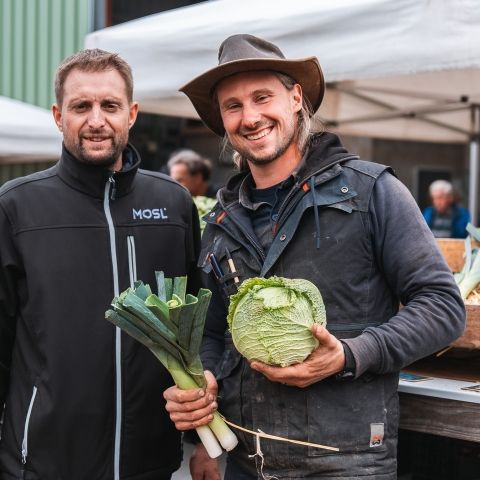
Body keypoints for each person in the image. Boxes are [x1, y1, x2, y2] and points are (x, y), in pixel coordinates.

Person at [163, 34, 466, 480]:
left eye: (262, 97)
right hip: (248, 461)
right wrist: (205, 381)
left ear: (296, 98)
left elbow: (442, 307)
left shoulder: (371, 192)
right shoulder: (221, 220)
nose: (250, 117)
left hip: (346, 462)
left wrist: (349, 354)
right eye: (233, 105)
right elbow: (214, 331)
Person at [0, 49, 201, 479]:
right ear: (58, 115)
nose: (96, 120)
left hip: (149, 463)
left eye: (109, 106)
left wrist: (202, 442)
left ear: (131, 113)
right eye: (80, 106)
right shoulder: (16, 208)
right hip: (41, 463)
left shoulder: (173, 205)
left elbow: (197, 336)